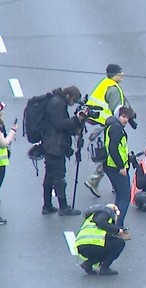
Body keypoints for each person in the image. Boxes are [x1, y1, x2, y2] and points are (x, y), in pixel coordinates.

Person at [84, 64, 130, 198]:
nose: (123, 74)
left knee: (110, 152)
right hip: (110, 124)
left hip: (103, 122)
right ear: (115, 74)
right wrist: (125, 121)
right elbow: (117, 110)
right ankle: (97, 179)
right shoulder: (113, 89)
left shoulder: (106, 83)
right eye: (120, 72)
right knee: (116, 151)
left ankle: (98, 180)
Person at [40, 86, 87, 216]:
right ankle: (63, 207)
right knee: (59, 177)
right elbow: (59, 124)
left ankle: (47, 205)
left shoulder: (57, 101)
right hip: (55, 146)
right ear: (68, 96)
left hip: (51, 144)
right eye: (73, 100)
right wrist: (76, 120)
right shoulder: (57, 103)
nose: (73, 103)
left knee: (49, 176)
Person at [103, 106, 134, 238]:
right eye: (123, 116)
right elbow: (113, 149)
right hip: (116, 168)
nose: (126, 120)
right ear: (118, 115)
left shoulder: (112, 125)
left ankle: (113, 225)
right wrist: (121, 166)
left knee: (120, 196)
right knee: (125, 197)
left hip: (110, 166)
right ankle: (118, 228)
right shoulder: (116, 128)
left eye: (127, 117)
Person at [75, 204, 129, 276]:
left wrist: (114, 234)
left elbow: (102, 235)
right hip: (91, 244)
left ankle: (88, 264)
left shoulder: (92, 216)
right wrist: (117, 230)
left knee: (109, 246)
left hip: (82, 246)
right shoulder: (105, 213)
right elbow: (100, 222)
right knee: (120, 243)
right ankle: (104, 268)